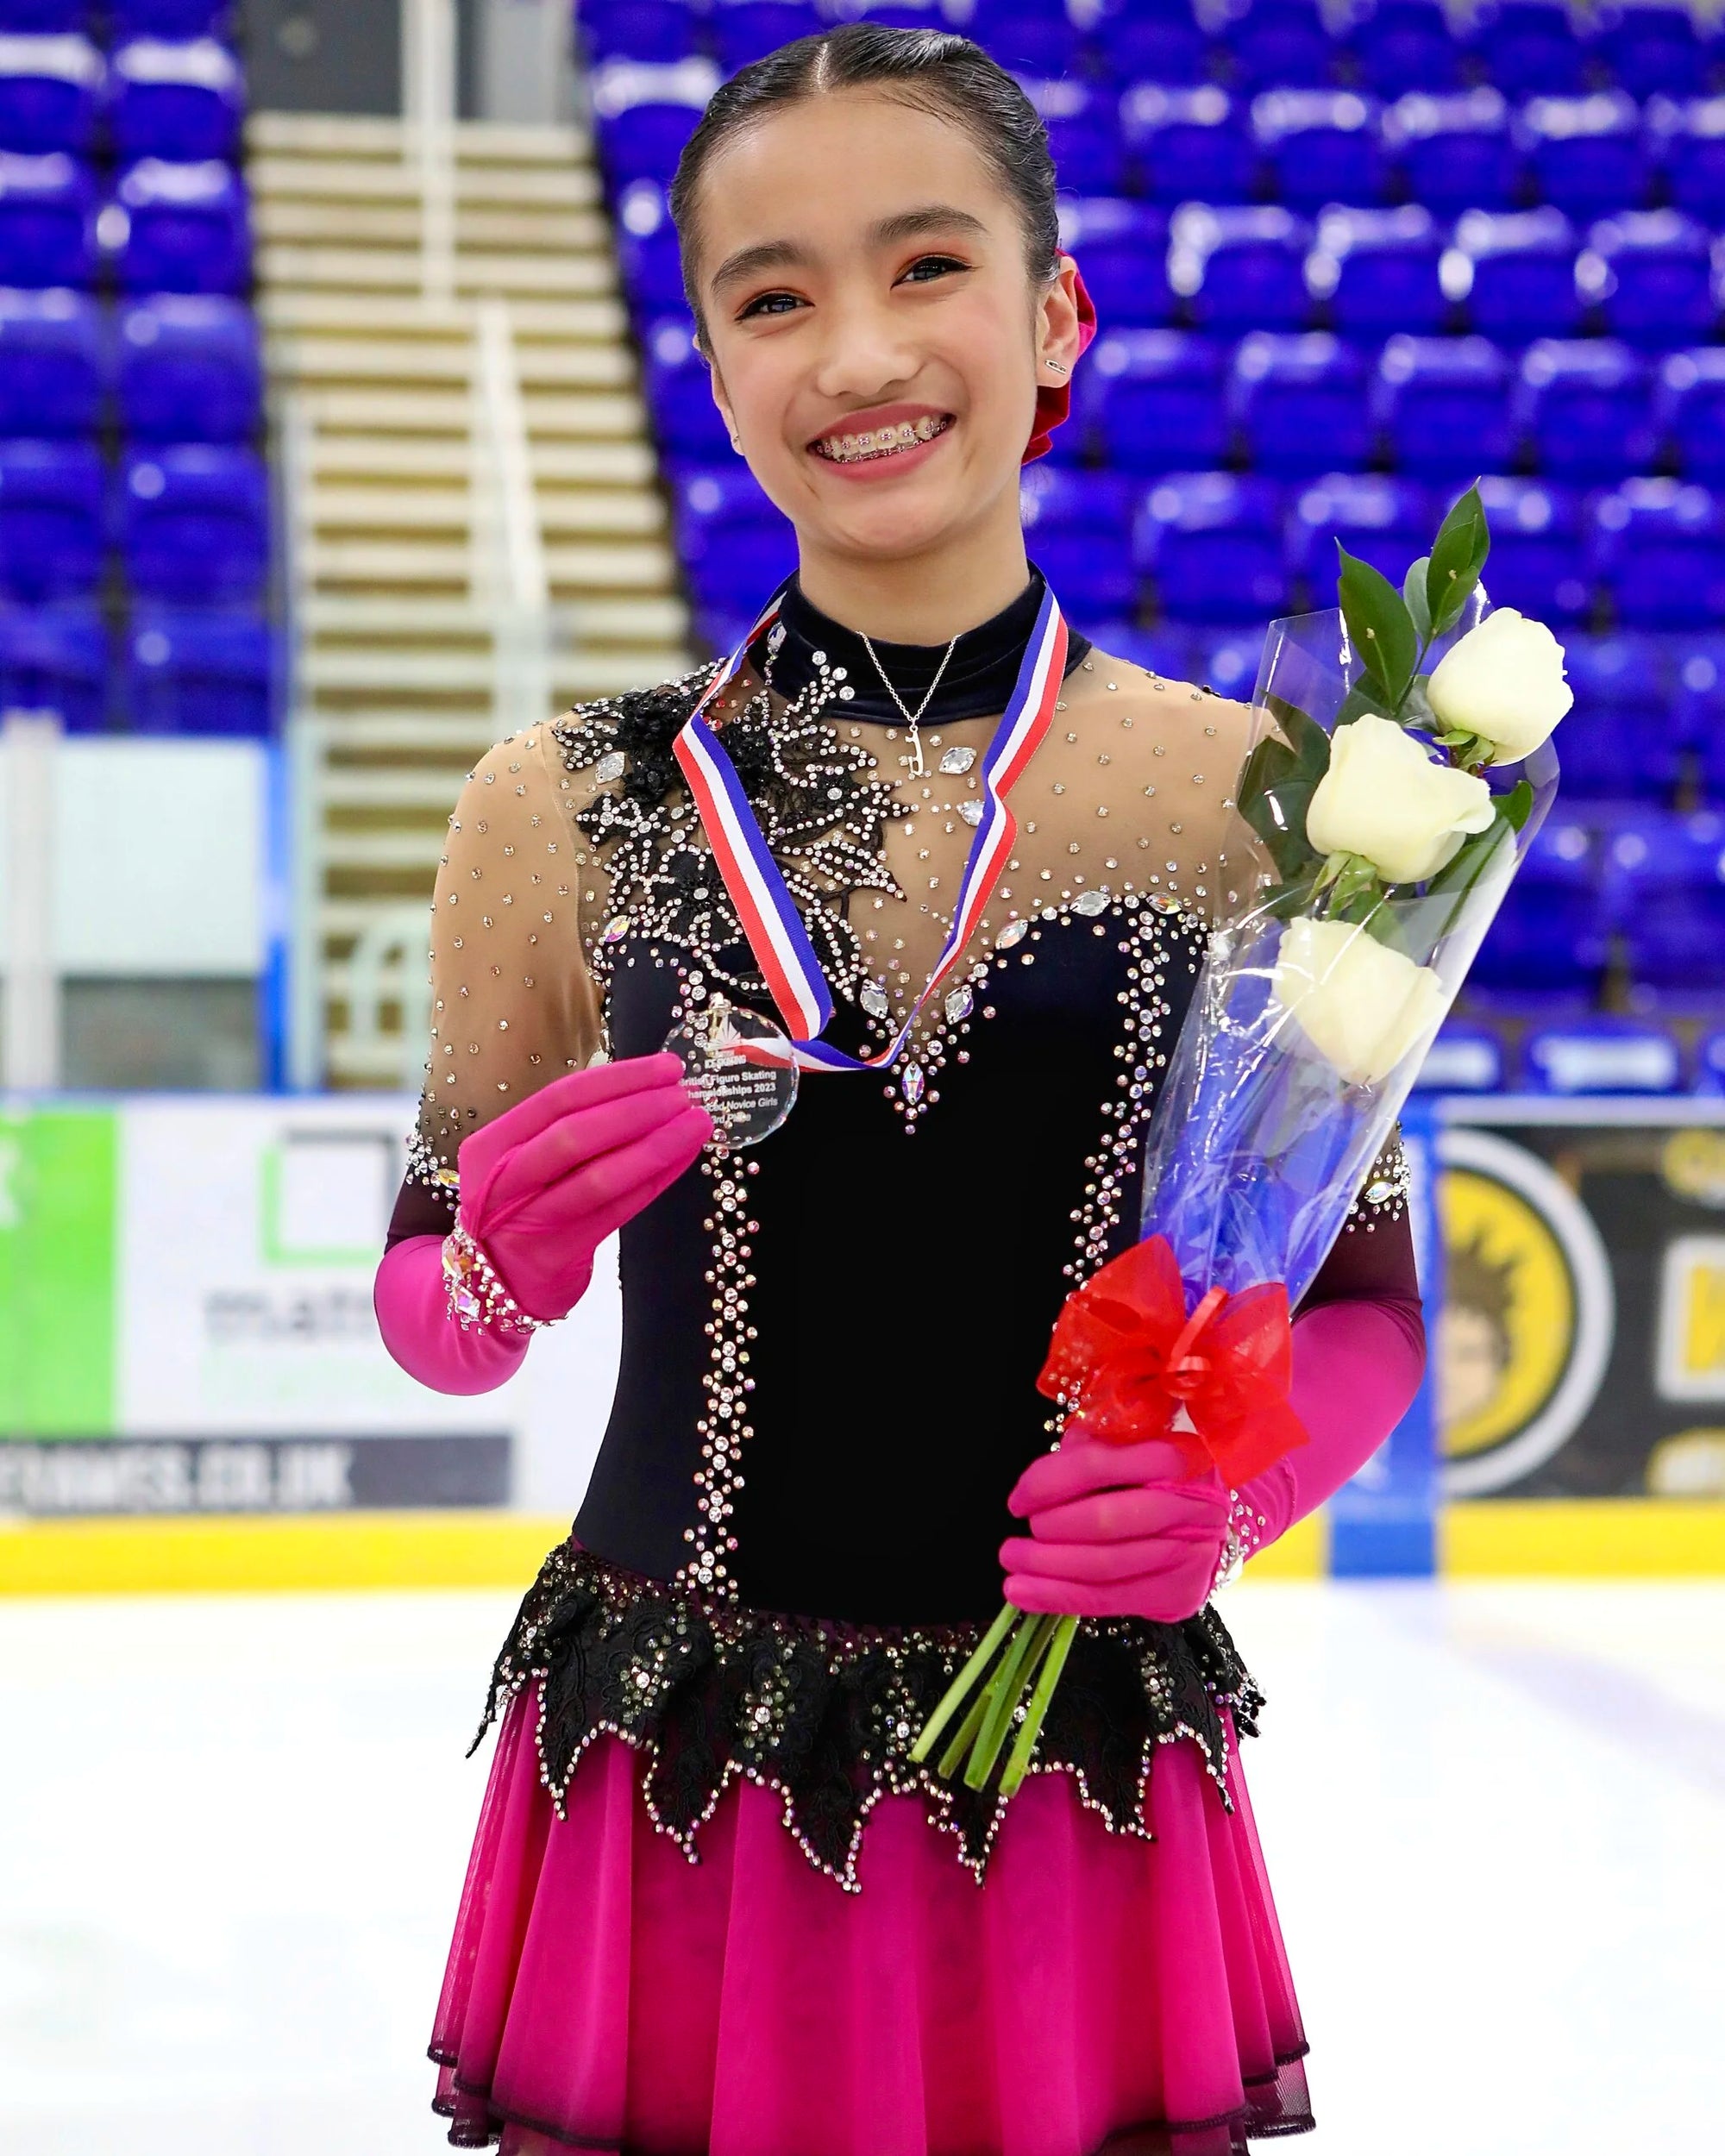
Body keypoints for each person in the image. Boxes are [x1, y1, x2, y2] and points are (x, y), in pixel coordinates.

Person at [374, 26, 1427, 2155]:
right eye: (772, 296)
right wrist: (492, 1259)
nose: (855, 349)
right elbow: (434, 1308)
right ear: (710, 360)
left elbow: (1368, 1298)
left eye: (924, 265)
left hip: (1067, 1780)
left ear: (1051, 320)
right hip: (678, 1768)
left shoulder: (1255, 800)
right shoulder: (555, 808)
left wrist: (1234, 1496)